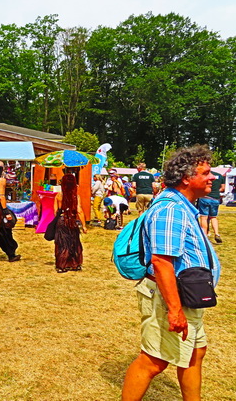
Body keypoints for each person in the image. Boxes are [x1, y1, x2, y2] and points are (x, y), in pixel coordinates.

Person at [122, 145, 221, 401]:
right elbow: (161, 261)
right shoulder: (171, 210)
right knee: (153, 361)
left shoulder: (183, 206)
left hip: (186, 295)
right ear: (187, 178)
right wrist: (175, 310)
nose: (213, 177)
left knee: (195, 353)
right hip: (170, 297)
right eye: (206, 173)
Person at [53, 173, 87, 273]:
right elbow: (79, 211)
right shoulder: (76, 196)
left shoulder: (58, 196)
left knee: (62, 244)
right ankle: (74, 264)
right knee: (74, 242)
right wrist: (84, 225)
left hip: (62, 220)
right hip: (72, 221)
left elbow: (55, 211)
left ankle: (61, 265)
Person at [197, 170, 225, 244]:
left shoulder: (205, 175)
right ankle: (217, 234)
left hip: (205, 197)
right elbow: (223, 188)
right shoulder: (220, 176)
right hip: (215, 198)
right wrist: (216, 191)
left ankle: (205, 236)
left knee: (204, 218)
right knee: (213, 217)